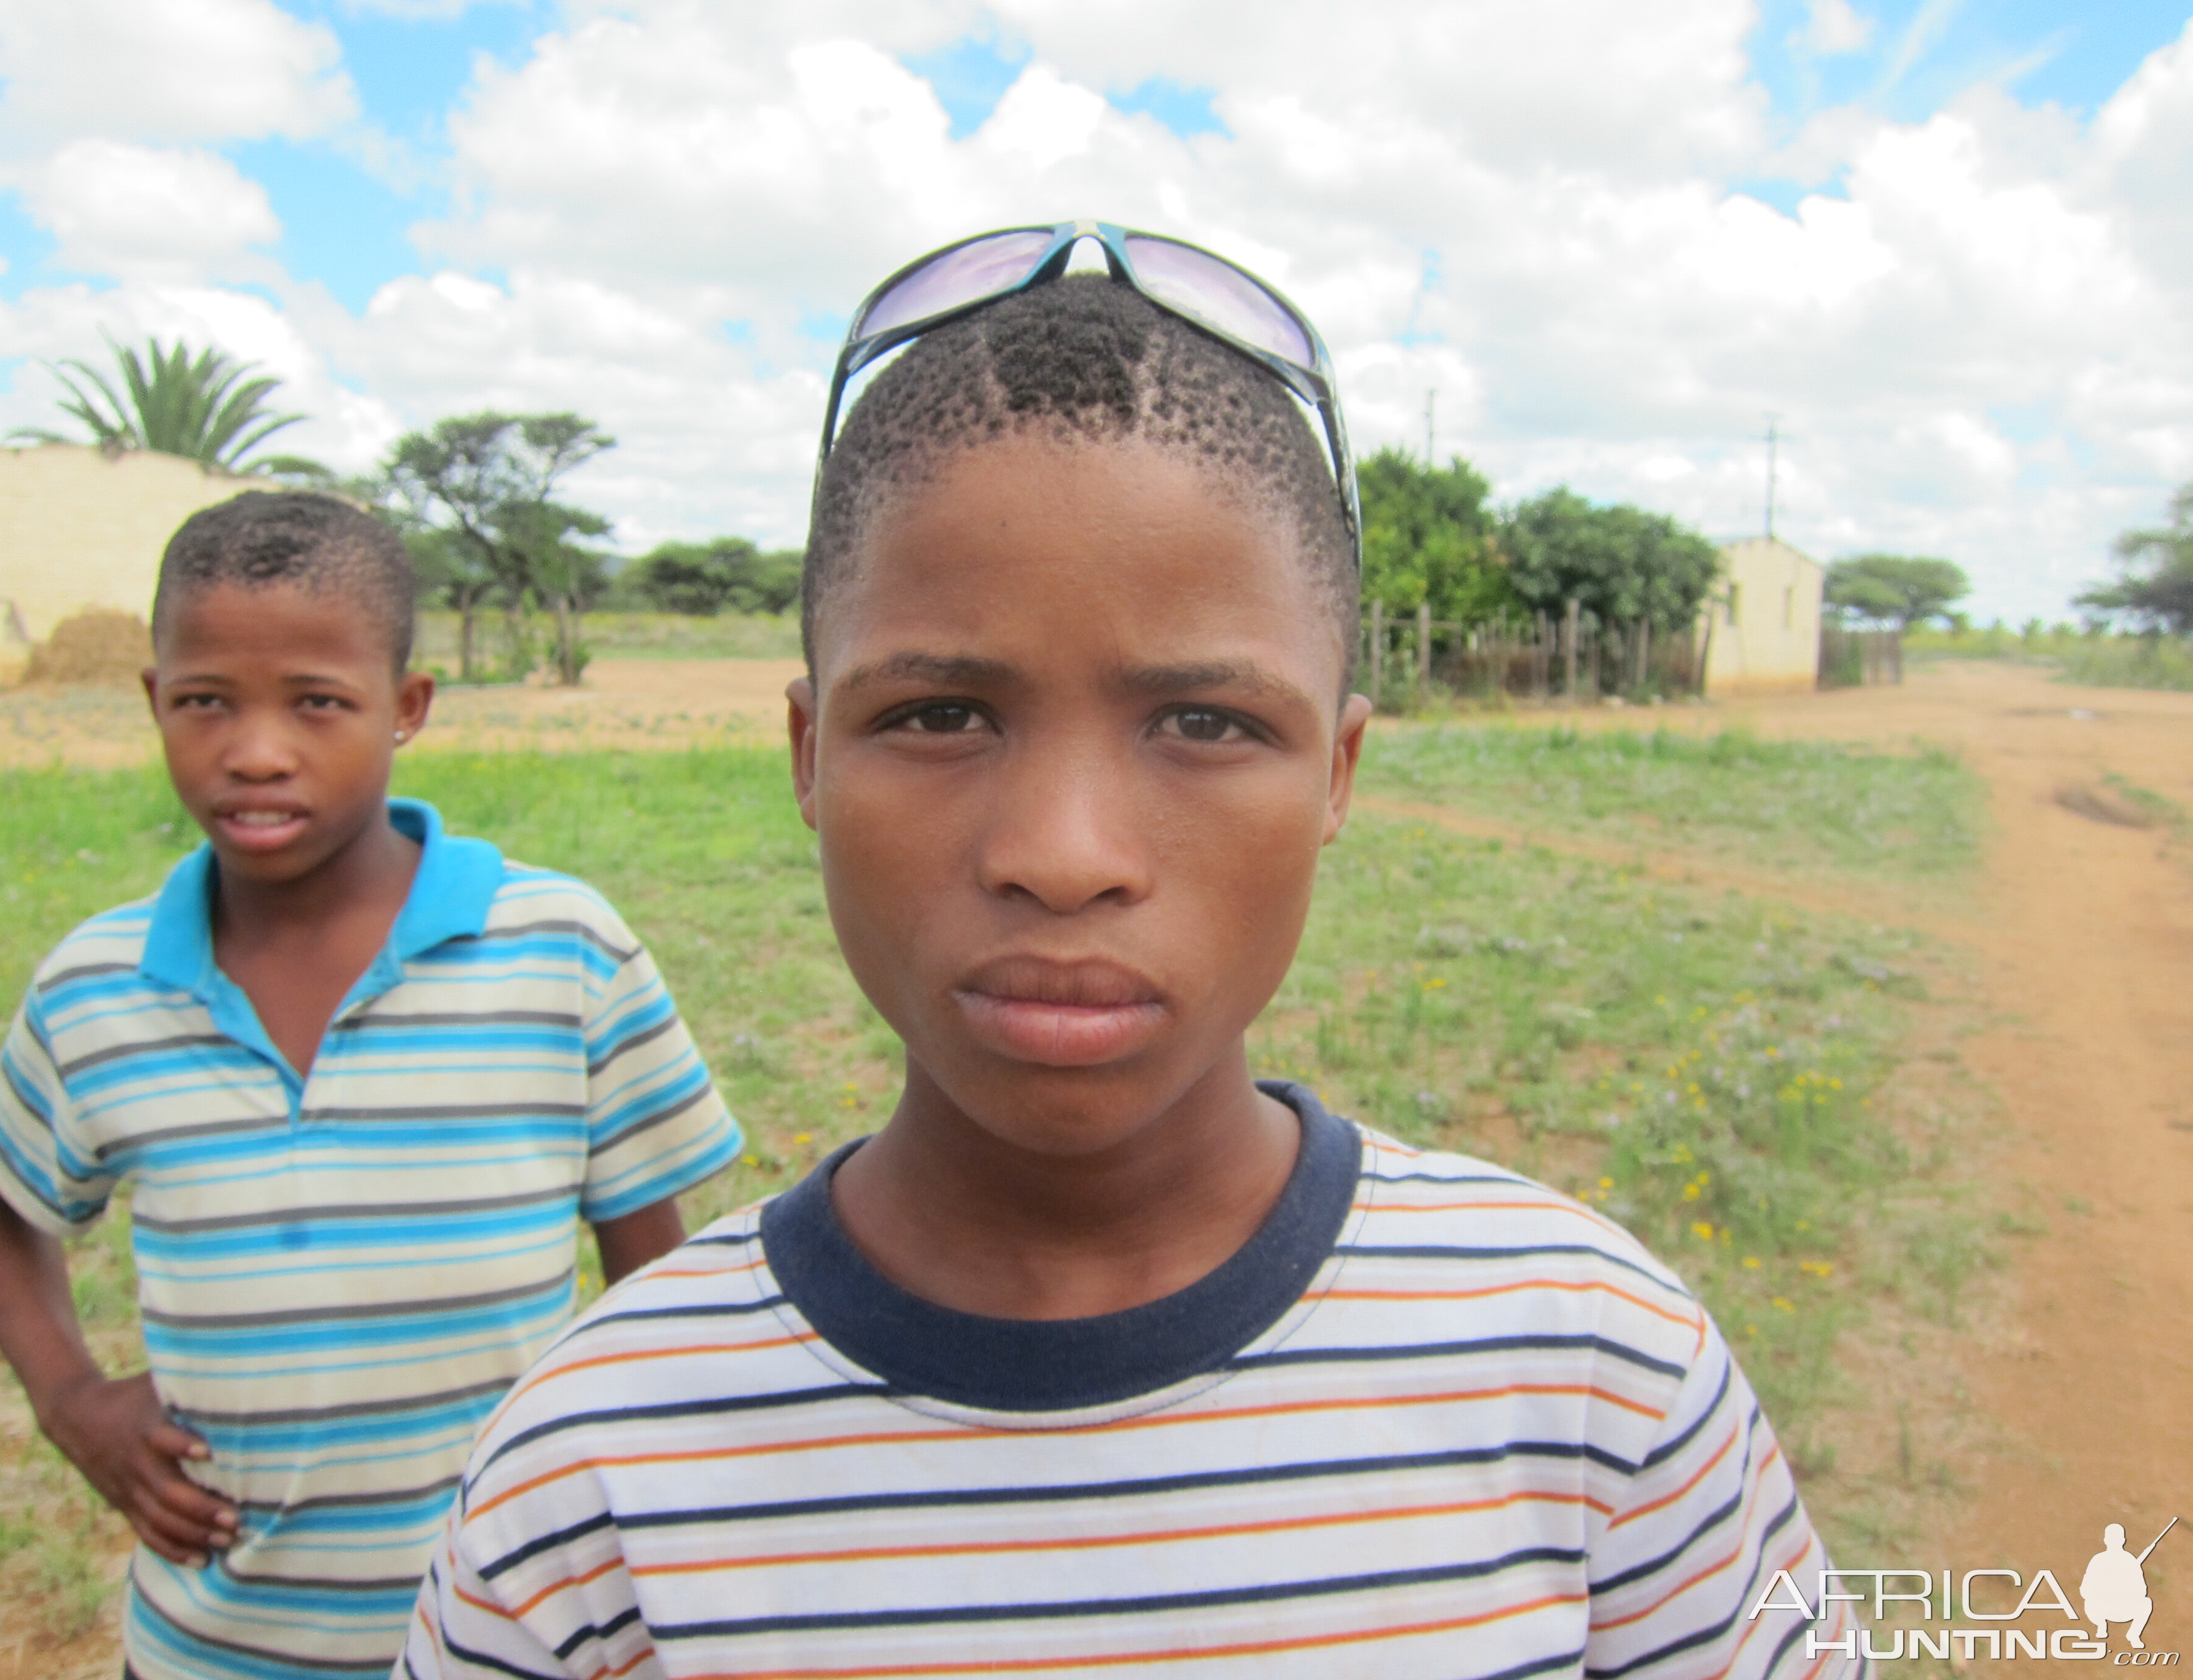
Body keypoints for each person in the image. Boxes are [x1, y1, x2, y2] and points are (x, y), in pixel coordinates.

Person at [397, 223, 1857, 1679]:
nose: (1067, 849)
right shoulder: (588, 1473)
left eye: (1207, 721)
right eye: (940, 712)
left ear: (1339, 772)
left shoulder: (1596, 1366)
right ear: (808, 752)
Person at [0, 491, 743, 1680]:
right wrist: (68, 1399)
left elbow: (656, 1273)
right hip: (212, 1651)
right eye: (204, 700)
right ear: (153, 701)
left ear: (407, 708)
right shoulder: (97, 991)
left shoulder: (561, 952)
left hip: (508, 1640)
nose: (256, 749)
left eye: (317, 703)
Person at [2081, 1523, 2155, 1649]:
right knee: (2090, 1601)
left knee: (2146, 1603)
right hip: (2102, 1608)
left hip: (2123, 1609)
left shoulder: (2129, 1561)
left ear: (2105, 1540)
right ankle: (2101, 1626)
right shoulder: (2099, 1560)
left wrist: (2124, 1588)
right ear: (2123, 1540)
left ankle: (2133, 1635)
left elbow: (2142, 1591)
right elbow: (2085, 1590)